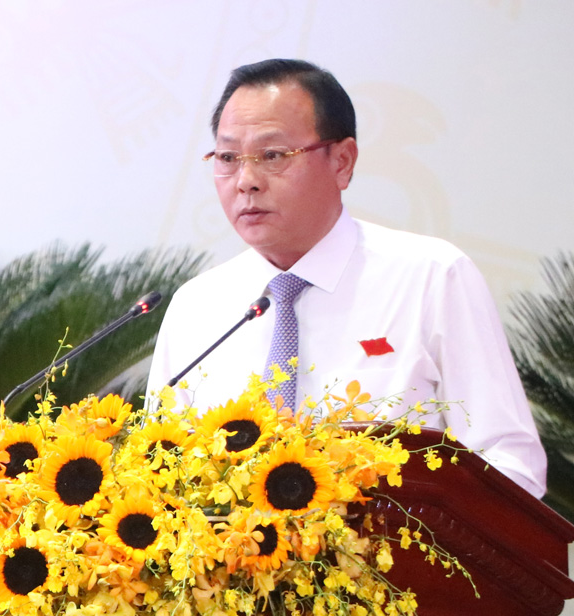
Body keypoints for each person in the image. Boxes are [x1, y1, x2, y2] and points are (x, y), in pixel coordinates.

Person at [146, 59, 547, 498]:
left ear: (342, 161)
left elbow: (511, 465)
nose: (246, 181)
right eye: (227, 158)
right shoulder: (196, 307)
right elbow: (155, 476)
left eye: (273, 156)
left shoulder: (432, 278)